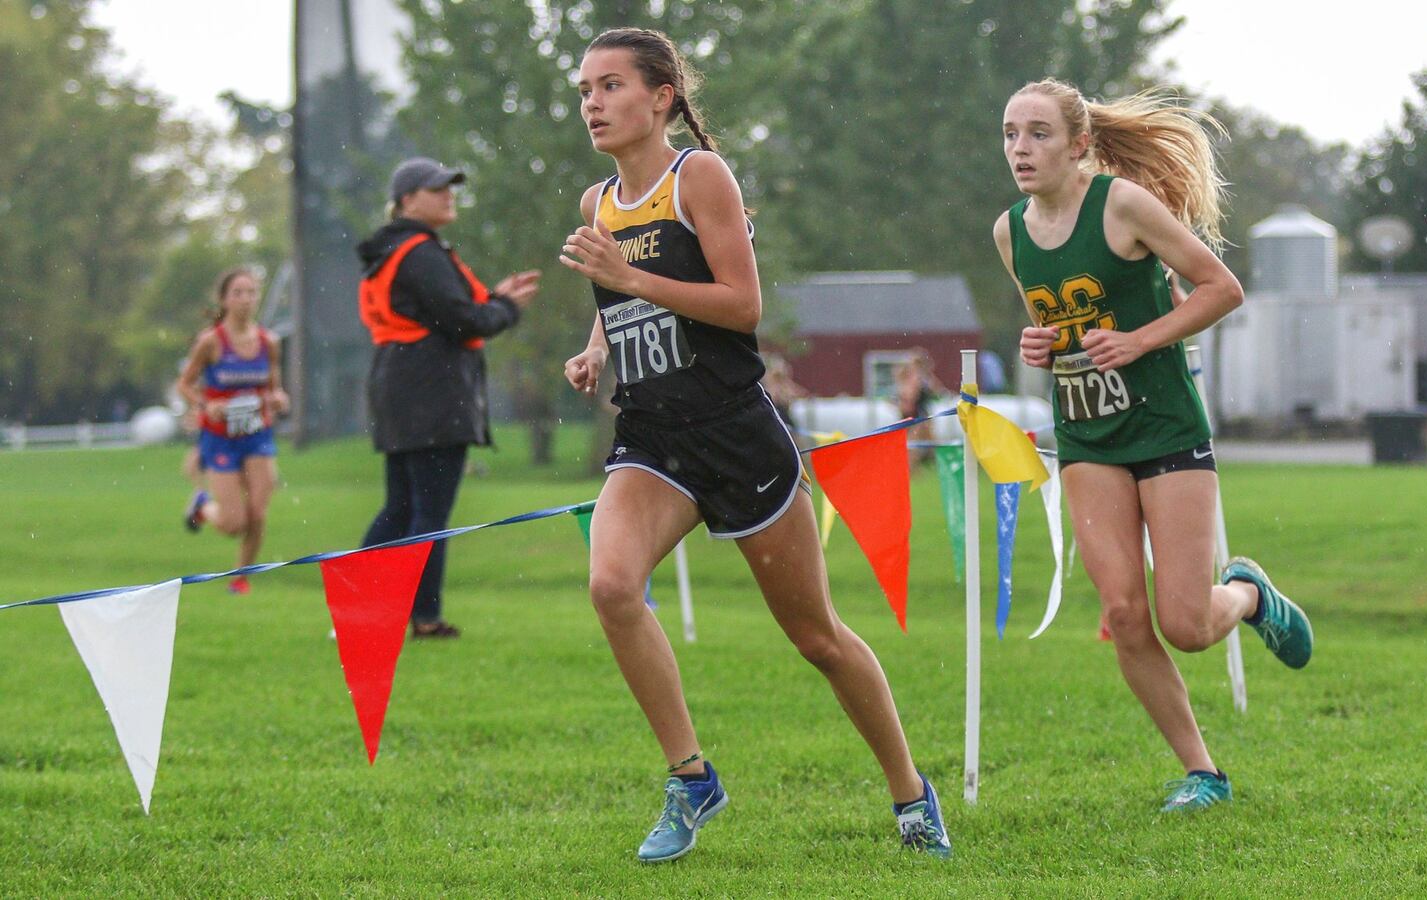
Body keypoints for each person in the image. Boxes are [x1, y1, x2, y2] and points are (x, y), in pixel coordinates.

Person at [558, 28, 950, 862]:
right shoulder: (597, 203)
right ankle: (691, 777)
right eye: (585, 88)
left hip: (739, 438)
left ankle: (912, 793)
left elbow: (740, 306)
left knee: (817, 639)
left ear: (660, 96)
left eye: (610, 86)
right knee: (611, 585)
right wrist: (598, 342)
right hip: (653, 439)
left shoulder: (699, 176)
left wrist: (626, 280)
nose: (592, 103)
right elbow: (619, 296)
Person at [993, 78, 1314, 813]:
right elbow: (1062, 323)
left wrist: (1140, 339)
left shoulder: (1123, 205)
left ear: (1078, 145)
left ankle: (1245, 592)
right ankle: (1203, 772)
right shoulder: (1009, 231)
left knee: (1186, 624)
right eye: (1010, 133)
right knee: (1125, 615)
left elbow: (1219, 288)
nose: (1020, 148)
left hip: (1165, 424)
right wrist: (1039, 344)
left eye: (1038, 133)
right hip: (1085, 434)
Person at [356, 157, 540, 639]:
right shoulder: (421, 252)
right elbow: (463, 322)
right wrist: (505, 308)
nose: (447, 194)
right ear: (406, 201)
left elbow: (446, 311)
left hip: (398, 389)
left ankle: (363, 609)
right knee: (428, 514)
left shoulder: (396, 249)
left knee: (400, 508)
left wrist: (492, 300)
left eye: (449, 186)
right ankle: (422, 617)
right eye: (436, 188)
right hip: (430, 395)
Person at [176, 268, 290, 594]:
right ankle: (202, 507)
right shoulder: (211, 342)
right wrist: (203, 405)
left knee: (258, 513)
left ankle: (241, 579)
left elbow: (273, 388)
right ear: (224, 300)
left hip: (257, 435)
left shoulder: (269, 342)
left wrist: (279, 399)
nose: (245, 299)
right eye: (238, 293)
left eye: (251, 292)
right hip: (220, 437)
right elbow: (184, 384)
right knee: (233, 523)